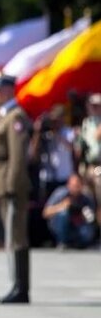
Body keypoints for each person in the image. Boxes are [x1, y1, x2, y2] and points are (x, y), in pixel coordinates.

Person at [0, 73, 32, 304]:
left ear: (11, 89)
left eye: (1, 88)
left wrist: (13, 184)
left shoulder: (16, 116)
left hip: (9, 182)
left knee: (16, 236)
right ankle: (16, 285)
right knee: (11, 236)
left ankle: (19, 287)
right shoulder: (1, 115)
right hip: (1, 180)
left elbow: (17, 156)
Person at [43, 174, 97, 249]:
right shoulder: (60, 193)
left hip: (78, 226)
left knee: (88, 232)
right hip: (60, 225)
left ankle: (77, 244)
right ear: (68, 185)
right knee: (63, 214)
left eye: (78, 186)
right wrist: (62, 206)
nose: (75, 188)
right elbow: (45, 213)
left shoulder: (86, 197)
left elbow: (92, 218)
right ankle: (62, 242)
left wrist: (83, 214)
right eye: (74, 185)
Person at [76, 93, 101, 227]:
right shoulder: (86, 123)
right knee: (88, 201)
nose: (94, 109)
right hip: (88, 166)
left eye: (97, 106)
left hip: (100, 165)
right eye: (92, 106)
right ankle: (93, 231)